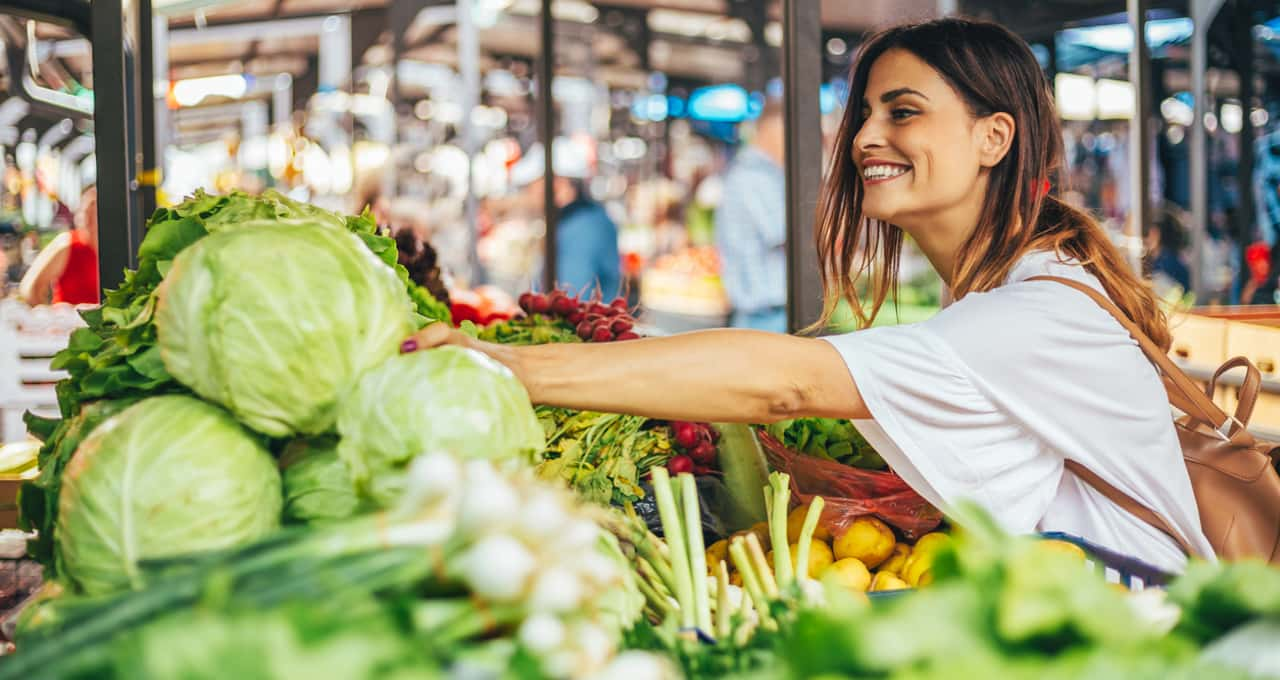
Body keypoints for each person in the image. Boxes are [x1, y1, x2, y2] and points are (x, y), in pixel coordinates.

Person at [403, 18, 1212, 572]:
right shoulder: (1023, 288)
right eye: (862, 113)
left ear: (992, 138)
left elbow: (785, 381)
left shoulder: (1036, 310)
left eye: (903, 112)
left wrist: (504, 364)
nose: (863, 138)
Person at [511, 138, 621, 300]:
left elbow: (569, 299)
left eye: (531, 185)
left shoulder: (583, 228)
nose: (529, 194)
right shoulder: (576, 221)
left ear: (556, 183)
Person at [715, 99, 787, 332]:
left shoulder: (754, 173)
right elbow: (788, 234)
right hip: (765, 318)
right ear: (775, 129)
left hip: (763, 316)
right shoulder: (755, 176)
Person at [19, 186, 99, 305]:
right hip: (69, 322)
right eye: (85, 211)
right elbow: (30, 288)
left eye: (94, 212)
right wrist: (45, 318)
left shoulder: (113, 250)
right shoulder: (67, 244)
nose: (88, 218)